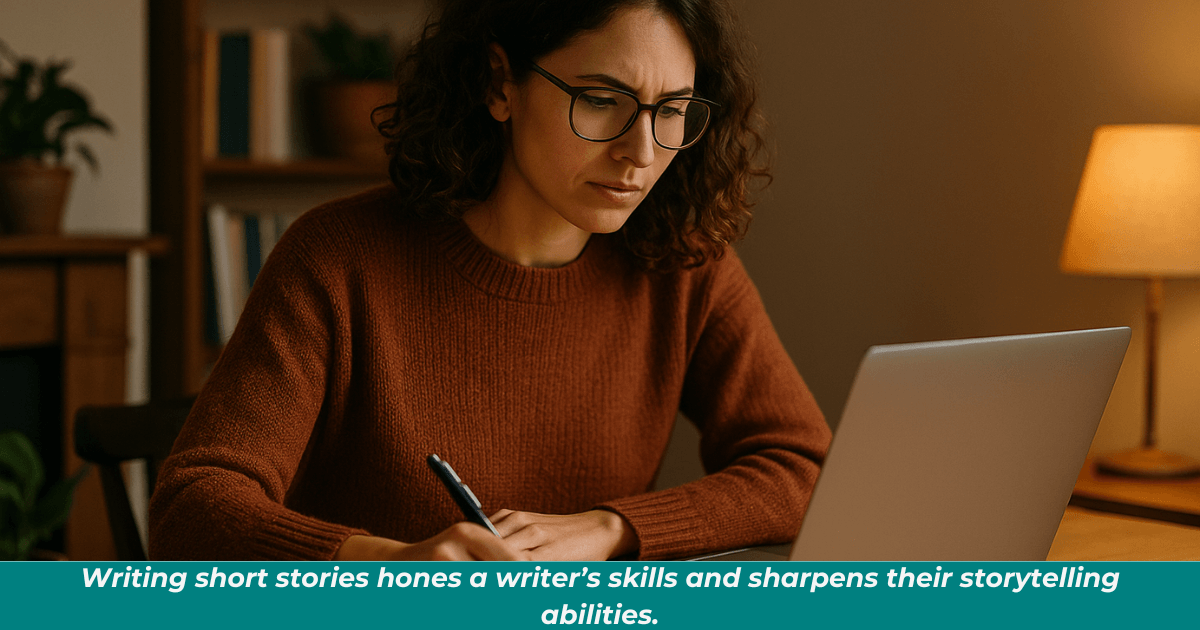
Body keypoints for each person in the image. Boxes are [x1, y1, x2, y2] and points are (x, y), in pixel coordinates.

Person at [149, 0, 831, 562]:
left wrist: (612, 528)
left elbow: (804, 465)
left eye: (673, 109)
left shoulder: (683, 265)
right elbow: (193, 506)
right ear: (500, 84)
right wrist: (392, 565)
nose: (641, 152)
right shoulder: (338, 257)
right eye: (601, 100)